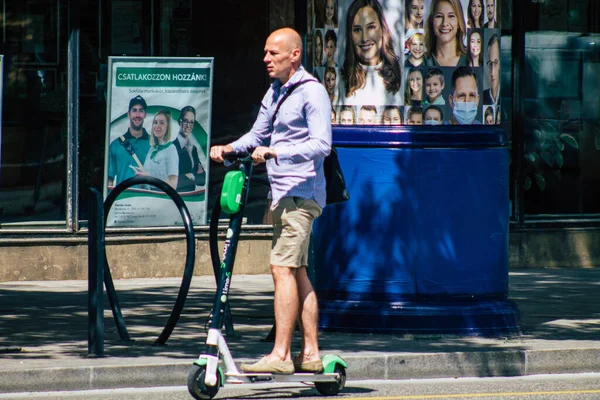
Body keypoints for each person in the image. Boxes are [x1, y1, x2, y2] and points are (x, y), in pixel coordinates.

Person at [210, 28, 331, 375]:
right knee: (298, 273)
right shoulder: (276, 92)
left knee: (281, 270)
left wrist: (277, 153)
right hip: (281, 195)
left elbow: (321, 144)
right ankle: (310, 354)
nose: (266, 59)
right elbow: (258, 135)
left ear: (294, 55)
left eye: (274, 54)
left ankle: (280, 354)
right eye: (265, 52)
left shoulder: (312, 93)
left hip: (301, 193)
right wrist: (230, 148)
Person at [339, 0, 402, 106]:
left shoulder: (401, 78)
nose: (364, 38)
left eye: (371, 27)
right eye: (357, 30)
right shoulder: (340, 80)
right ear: (350, 35)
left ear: (382, 29)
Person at [107, 95, 151, 187]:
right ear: (128, 114)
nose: (138, 115)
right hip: (124, 198)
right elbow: (109, 181)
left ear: (145, 114)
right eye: (134, 110)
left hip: (149, 199)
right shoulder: (116, 145)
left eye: (141, 111)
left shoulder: (154, 144)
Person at [135, 109, 179, 189]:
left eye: (162, 123)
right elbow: (146, 182)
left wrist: (149, 178)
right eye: (155, 122)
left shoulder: (171, 150)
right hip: (146, 198)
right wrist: (141, 179)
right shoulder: (152, 149)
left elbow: (173, 185)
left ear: (167, 127)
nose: (157, 126)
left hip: (160, 199)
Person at [423, 0, 468, 67]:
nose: (444, 23)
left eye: (451, 16)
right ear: (432, 22)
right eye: (439, 16)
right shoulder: (422, 61)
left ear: (459, 22)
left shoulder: (470, 59)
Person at [173, 105, 206, 192]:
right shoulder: (172, 148)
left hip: (192, 198)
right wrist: (195, 175)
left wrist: (191, 176)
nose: (188, 125)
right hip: (177, 196)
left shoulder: (193, 149)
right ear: (180, 122)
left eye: (191, 122)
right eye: (185, 121)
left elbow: (203, 179)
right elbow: (172, 180)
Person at [483, 33, 500, 105]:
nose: (492, 73)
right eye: (490, 64)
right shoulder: (482, 97)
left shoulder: (507, 96)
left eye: (495, 63)